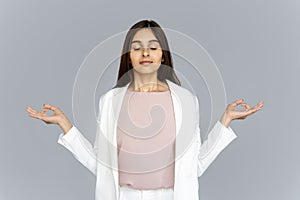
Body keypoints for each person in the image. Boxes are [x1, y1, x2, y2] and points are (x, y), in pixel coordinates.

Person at [26, 19, 264, 200]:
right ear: (129, 56)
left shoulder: (186, 100)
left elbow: (196, 164)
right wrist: (65, 126)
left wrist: (225, 121)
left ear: (163, 55)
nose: (145, 53)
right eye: (137, 47)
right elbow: (102, 164)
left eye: (153, 46)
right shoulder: (111, 101)